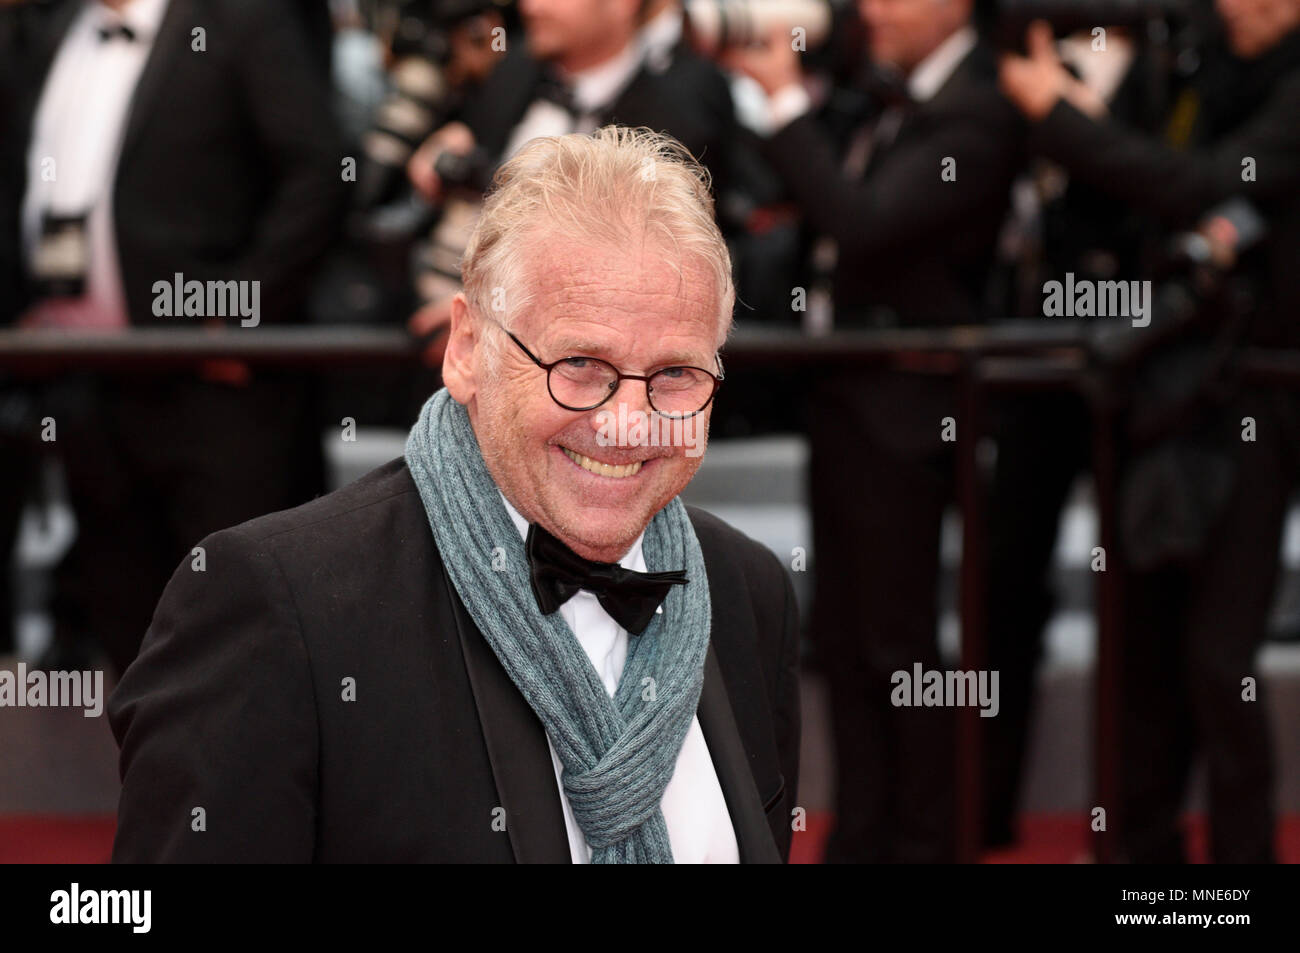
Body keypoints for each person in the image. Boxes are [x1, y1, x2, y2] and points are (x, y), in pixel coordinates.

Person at [109, 126, 802, 864]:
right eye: (579, 363)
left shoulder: (747, 591)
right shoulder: (278, 609)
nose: (627, 421)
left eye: (676, 374)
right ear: (467, 348)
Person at [721, 0, 1024, 861]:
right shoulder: (880, 94)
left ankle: (926, 840)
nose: (873, 9)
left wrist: (786, 99)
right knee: (847, 640)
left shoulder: (980, 107)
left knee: (898, 643)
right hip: (844, 398)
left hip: (908, 411)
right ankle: (862, 836)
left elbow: (864, 219)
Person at [1001, 0, 1300, 862]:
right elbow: (1161, 184)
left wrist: (1064, 121)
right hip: (1162, 391)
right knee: (1142, 650)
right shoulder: (1192, 61)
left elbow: (1200, 185)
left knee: (1219, 659)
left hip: (1257, 403)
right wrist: (1088, 119)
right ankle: (1138, 862)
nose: (1245, 5)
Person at [7, 0, 346, 677]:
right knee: (129, 644)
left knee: (238, 643)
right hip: (86, 383)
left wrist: (238, 312)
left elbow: (323, 171)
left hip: (214, 392)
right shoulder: (53, 33)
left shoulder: (241, 19)